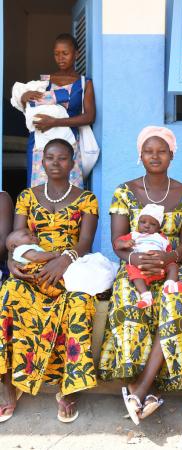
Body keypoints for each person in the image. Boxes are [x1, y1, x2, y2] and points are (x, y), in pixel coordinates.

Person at [98, 126, 182, 425]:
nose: (155, 156)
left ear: (172, 154)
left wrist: (167, 259)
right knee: (129, 301)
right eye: (148, 151)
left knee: (175, 303)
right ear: (140, 155)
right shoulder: (124, 192)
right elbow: (118, 241)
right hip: (134, 268)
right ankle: (138, 383)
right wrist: (136, 258)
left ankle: (142, 387)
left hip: (172, 267)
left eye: (162, 151)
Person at [0, 138, 99, 423]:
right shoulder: (27, 197)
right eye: (50, 158)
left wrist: (63, 260)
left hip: (69, 273)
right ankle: (8, 382)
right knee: (8, 291)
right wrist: (12, 261)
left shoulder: (86, 199)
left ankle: (69, 388)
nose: (56, 163)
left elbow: (85, 244)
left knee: (80, 304)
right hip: (33, 270)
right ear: (42, 162)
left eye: (63, 158)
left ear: (72, 162)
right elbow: (14, 241)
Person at [17, 33, 95, 188]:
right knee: (38, 189)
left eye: (65, 53)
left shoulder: (84, 83)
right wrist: (24, 96)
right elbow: (29, 105)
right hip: (39, 144)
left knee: (70, 190)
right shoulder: (44, 80)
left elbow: (89, 117)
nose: (60, 58)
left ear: (76, 54)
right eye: (56, 54)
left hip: (68, 145)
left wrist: (54, 122)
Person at [114, 203, 182, 309]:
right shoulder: (134, 235)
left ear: (159, 227)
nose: (146, 225)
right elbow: (117, 244)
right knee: (131, 269)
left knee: (173, 266)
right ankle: (146, 296)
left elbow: (168, 253)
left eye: (152, 224)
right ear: (138, 223)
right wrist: (124, 244)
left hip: (159, 267)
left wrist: (166, 258)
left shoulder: (161, 238)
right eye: (143, 222)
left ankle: (169, 284)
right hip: (140, 266)